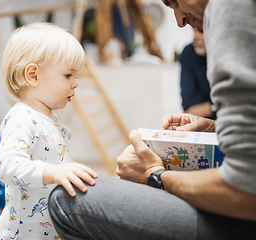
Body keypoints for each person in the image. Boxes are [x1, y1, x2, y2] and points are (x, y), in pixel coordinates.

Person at [48, 0, 256, 239]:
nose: (180, 20)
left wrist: (155, 176)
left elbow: (244, 189)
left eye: (176, 2)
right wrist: (217, 129)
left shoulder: (230, 7)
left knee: (67, 200)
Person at [0, 22, 97, 240]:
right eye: (68, 75)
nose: (75, 83)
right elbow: (7, 166)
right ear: (33, 75)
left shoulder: (54, 121)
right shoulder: (22, 118)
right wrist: (53, 172)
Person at [179, 28, 216, 119]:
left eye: (201, 31)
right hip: (203, 125)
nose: (195, 37)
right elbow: (190, 111)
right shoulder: (189, 53)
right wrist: (218, 106)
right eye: (193, 31)